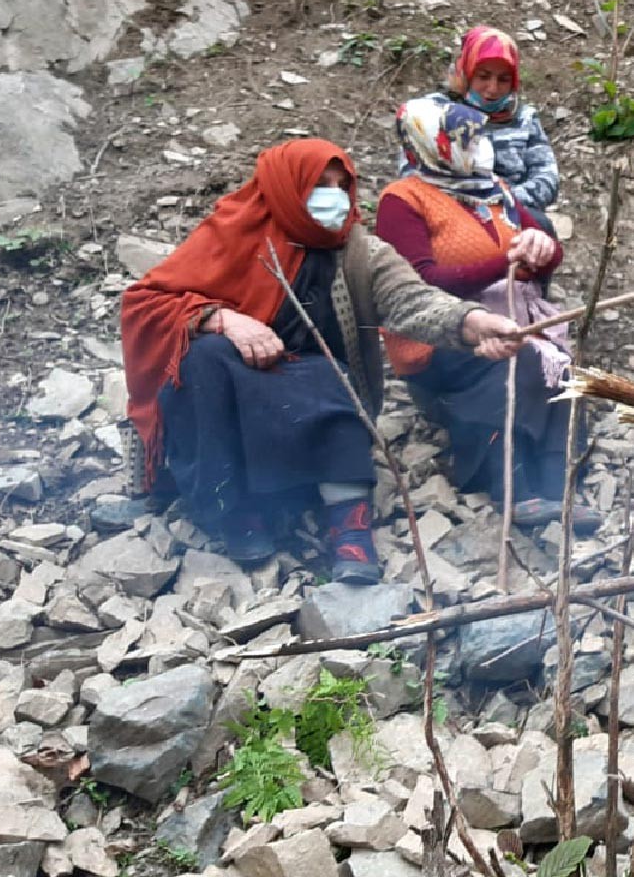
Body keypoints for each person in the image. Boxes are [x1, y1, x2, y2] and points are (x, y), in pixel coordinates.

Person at [121, 141, 532, 583]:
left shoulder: (358, 251)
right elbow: (146, 303)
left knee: (328, 376)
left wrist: (473, 321)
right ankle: (234, 511)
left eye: (342, 186)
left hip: (321, 397)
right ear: (286, 188)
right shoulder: (231, 234)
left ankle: (349, 530)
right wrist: (221, 319)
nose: (335, 196)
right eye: (320, 185)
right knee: (206, 356)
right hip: (238, 394)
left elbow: (412, 301)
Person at [376, 100, 593, 530]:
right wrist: (504, 261)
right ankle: (511, 485)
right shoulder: (402, 201)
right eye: (465, 140)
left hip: (505, 318)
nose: (479, 147)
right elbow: (419, 283)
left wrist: (541, 249)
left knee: (562, 369)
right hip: (440, 336)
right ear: (432, 145)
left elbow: (542, 248)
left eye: (477, 137)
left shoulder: (494, 190)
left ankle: (557, 488)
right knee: (519, 359)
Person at [404, 27, 560, 222]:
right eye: (483, 77)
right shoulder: (434, 111)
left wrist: (502, 199)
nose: (493, 89)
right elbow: (410, 172)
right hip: (447, 213)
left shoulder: (524, 118)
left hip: (511, 214)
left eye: (503, 80)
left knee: (542, 228)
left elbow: (547, 177)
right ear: (466, 74)